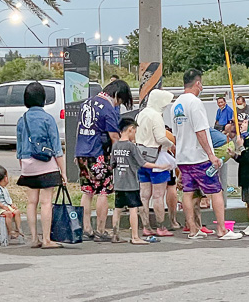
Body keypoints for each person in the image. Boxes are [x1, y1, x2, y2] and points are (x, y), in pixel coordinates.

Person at [172, 69, 240, 240]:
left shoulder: (176, 104)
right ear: (198, 84)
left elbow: (176, 133)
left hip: (183, 157)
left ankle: (194, 229)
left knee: (188, 192)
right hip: (199, 157)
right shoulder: (195, 103)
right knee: (215, 190)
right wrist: (211, 155)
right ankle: (222, 229)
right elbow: (200, 131)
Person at [75, 79, 133, 242]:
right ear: (116, 95)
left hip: (82, 153)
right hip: (98, 154)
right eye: (120, 100)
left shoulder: (86, 103)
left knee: (87, 191)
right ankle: (101, 229)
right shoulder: (107, 107)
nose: (118, 104)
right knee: (103, 192)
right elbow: (114, 137)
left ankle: (86, 228)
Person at [16, 81, 67, 249]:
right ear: (43, 99)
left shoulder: (21, 120)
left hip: (28, 165)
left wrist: (23, 166)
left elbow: (19, 147)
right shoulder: (48, 119)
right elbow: (57, 148)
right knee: (46, 202)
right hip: (46, 165)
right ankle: (47, 239)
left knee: (32, 202)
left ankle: (34, 239)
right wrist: (63, 172)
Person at [111, 118, 166, 245]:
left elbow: (112, 163)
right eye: (134, 131)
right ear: (130, 129)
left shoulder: (116, 145)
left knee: (117, 208)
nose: (134, 134)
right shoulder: (131, 146)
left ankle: (115, 234)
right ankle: (135, 236)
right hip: (131, 183)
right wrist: (159, 166)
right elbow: (143, 163)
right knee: (133, 209)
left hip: (119, 183)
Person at [135, 89, 175, 237]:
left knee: (144, 195)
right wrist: (171, 143)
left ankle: (145, 226)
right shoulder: (156, 116)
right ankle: (160, 227)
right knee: (158, 196)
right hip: (157, 160)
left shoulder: (141, 114)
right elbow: (160, 138)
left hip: (141, 158)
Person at [0, 164, 22, 242]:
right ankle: (10, 231)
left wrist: (11, 205)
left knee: (17, 212)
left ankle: (18, 229)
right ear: (5, 178)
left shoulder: (4, 188)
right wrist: (3, 206)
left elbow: (7, 199)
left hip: (6, 206)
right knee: (8, 214)